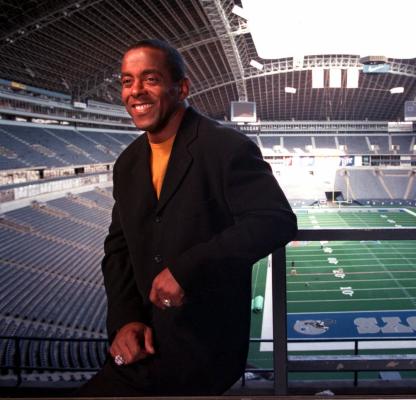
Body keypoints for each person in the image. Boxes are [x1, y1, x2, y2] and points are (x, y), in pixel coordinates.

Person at [79, 39, 297, 396]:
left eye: (150, 79)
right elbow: (118, 249)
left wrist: (188, 269)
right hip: (144, 342)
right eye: (127, 81)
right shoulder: (128, 163)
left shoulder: (225, 146)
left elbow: (275, 220)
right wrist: (125, 319)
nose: (136, 91)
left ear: (181, 88)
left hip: (204, 345)